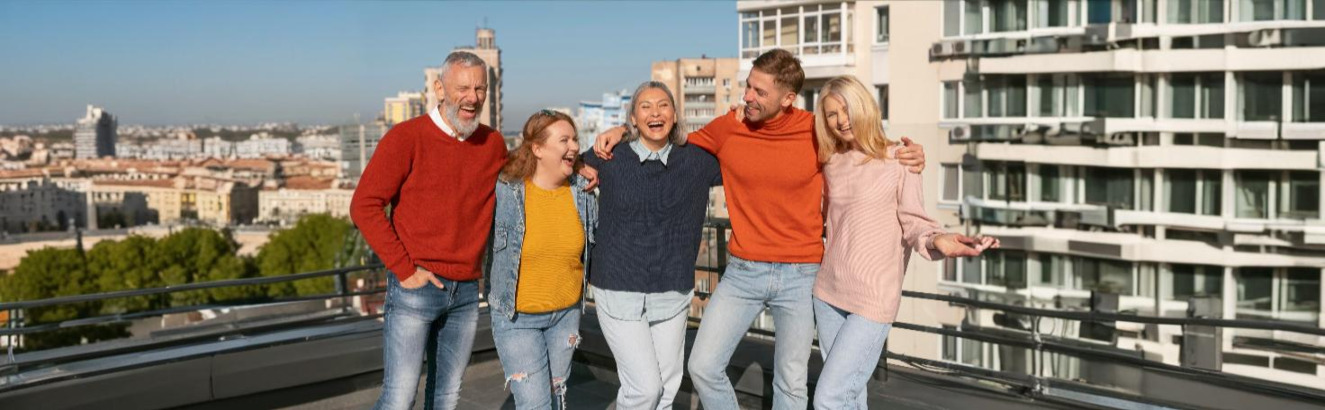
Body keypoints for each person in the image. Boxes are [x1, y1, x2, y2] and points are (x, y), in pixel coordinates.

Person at [589, 49, 926, 410]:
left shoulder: (815, 129)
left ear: (788, 98)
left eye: (759, 92)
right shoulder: (728, 127)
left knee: (791, 383)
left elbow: (859, 142)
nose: (747, 96)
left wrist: (905, 152)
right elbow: (666, 139)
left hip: (802, 274)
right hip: (743, 271)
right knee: (702, 366)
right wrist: (622, 130)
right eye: (748, 86)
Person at [811, 75, 998, 409]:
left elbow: (914, 222)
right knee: (850, 395)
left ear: (864, 107)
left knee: (829, 397)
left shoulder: (900, 159)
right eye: (831, 114)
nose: (841, 120)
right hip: (828, 293)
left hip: (873, 299)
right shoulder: (831, 162)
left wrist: (939, 239)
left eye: (846, 109)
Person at [349, 51, 507, 410]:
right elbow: (364, 206)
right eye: (462, 88)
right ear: (439, 89)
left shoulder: (493, 144)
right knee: (399, 398)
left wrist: (583, 163)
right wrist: (404, 270)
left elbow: (531, 171)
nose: (473, 98)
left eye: (480, 88)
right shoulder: (406, 137)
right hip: (415, 288)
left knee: (446, 398)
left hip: (466, 291)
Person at [581, 81, 721, 409]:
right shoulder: (609, 156)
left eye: (663, 105)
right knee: (644, 389)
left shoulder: (698, 160)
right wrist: (617, 132)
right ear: (633, 117)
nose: (655, 113)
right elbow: (565, 163)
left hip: (672, 288)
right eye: (645, 106)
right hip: (617, 287)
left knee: (667, 389)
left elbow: (747, 160)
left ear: (675, 115)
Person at [488, 110, 598, 409]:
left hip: (566, 316)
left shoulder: (582, 192)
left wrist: (620, 132)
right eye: (564, 140)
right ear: (537, 148)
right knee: (536, 405)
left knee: (556, 398)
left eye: (575, 139)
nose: (574, 146)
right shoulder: (506, 190)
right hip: (517, 319)